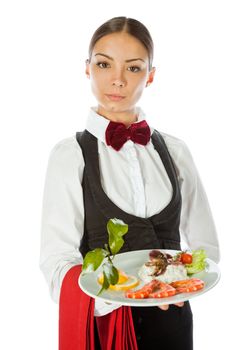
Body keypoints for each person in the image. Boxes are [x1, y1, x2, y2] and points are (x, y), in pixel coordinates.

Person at [39, 16, 220, 350]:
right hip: (105, 327)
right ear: (87, 68)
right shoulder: (69, 155)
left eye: (134, 68)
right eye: (104, 64)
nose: (118, 80)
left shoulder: (177, 152)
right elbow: (56, 263)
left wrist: (180, 283)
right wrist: (121, 294)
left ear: (151, 75)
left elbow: (206, 249)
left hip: (173, 323)